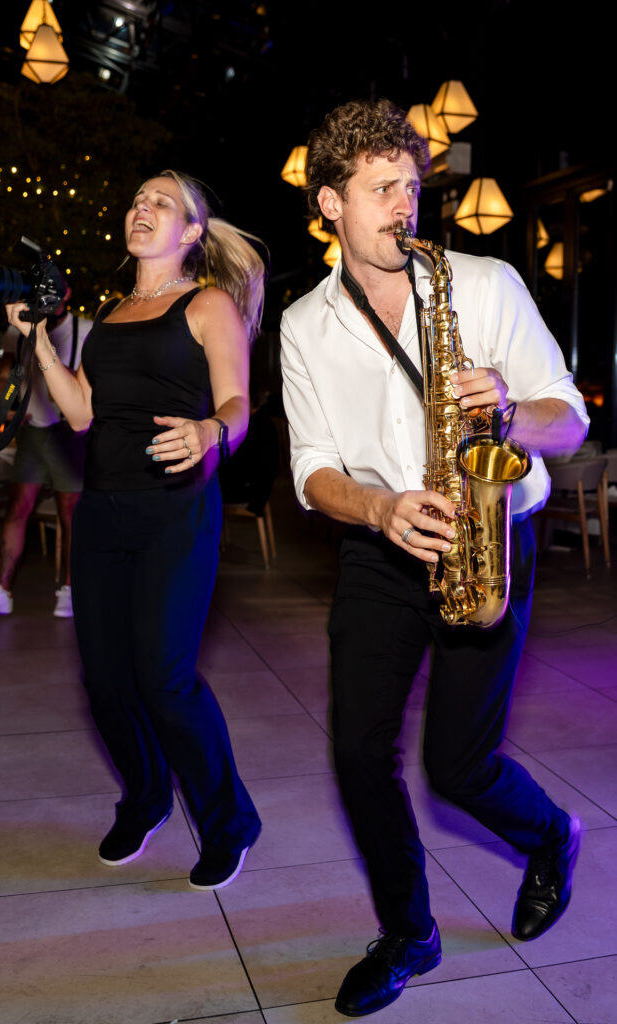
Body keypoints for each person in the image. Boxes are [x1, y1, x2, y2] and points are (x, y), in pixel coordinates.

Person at [280, 99, 589, 1017]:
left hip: (489, 538)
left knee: (458, 768)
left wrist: (505, 405)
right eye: (380, 190)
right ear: (330, 203)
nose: (402, 207)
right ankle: (409, 933)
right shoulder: (303, 325)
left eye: (410, 187)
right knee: (357, 755)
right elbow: (310, 470)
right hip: (383, 546)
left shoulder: (483, 284)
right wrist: (376, 507)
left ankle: (550, 835)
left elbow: (568, 419)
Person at [4, 169, 264, 890]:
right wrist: (42, 346)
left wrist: (212, 430)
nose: (140, 208)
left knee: (166, 678)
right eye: (136, 200)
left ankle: (228, 821)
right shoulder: (112, 314)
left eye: (161, 202)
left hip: (175, 513)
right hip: (105, 511)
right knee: (105, 679)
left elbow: (238, 402)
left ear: (190, 233)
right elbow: (81, 413)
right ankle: (146, 795)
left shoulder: (209, 304)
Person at [0, 292, 90, 618]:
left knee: (71, 515)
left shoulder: (87, 329)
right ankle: (1, 591)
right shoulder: (19, 328)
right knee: (17, 509)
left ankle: (70, 590)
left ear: (67, 294)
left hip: (70, 435)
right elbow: (4, 374)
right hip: (33, 431)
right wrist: (6, 409)